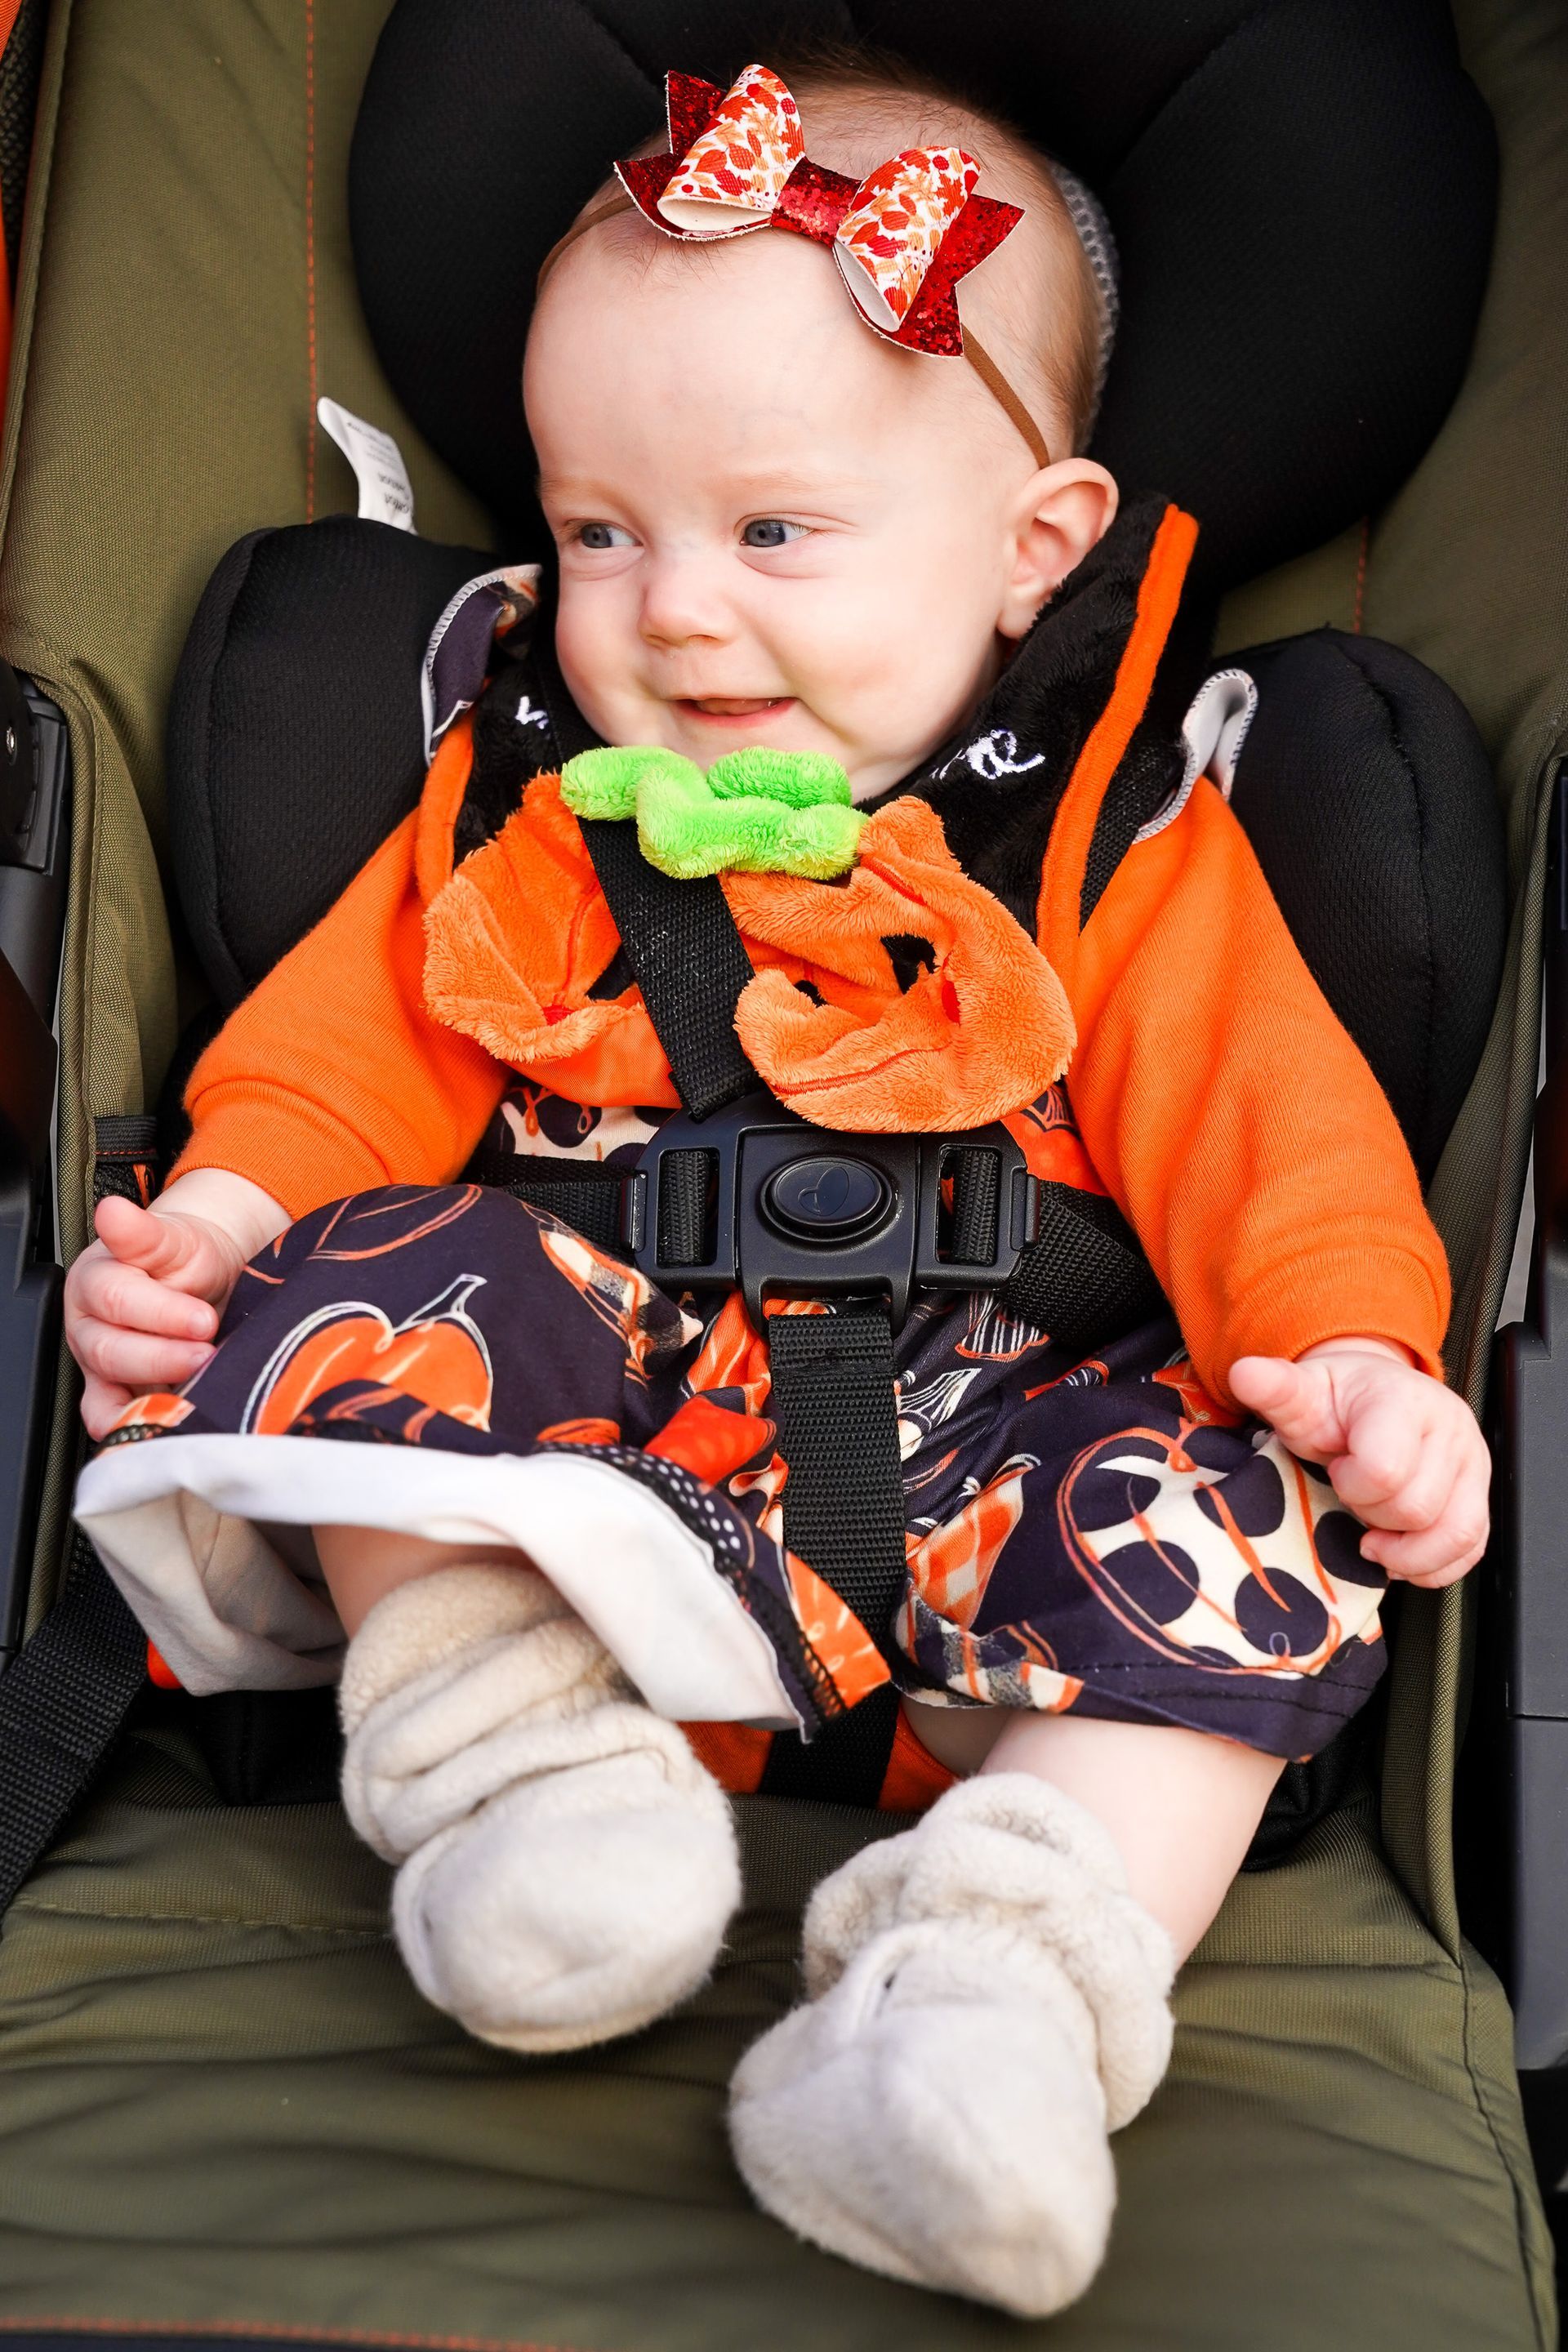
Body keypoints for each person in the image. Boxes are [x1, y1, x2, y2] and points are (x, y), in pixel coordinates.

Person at [65, 53, 1489, 2321]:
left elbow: (1272, 1135)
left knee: (1257, 1507)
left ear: (1040, 545)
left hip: (1006, 1530)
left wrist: (1352, 1362)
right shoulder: (524, 812)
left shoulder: (1128, 837)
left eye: (774, 533)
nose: (674, 618)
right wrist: (218, 1221)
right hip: (608, 1511)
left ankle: (997, 1995)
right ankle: (514, 1774)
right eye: (598, 530)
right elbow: (338, 1063)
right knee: (363, 1272)